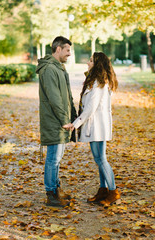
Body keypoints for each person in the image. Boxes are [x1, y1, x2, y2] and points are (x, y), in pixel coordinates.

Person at [64, 52, 120, 206]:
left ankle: (113, 192)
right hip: (95, 125)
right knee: (99, 159)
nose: (87, 63)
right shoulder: (95, 80)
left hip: (98, 126)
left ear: (97, 64)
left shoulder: (99, 83)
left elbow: (90, 108)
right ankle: (103, 191)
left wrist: (75, 124)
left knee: (101, 159)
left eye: (90, 61)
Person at [36, 36, 77, 207]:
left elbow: (66, 96)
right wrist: (64, 120)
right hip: (55, 122)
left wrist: (72, 117)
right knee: (53, 158)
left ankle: (56, 189)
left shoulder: (59, 68)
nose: (69, 53)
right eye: (67, 50)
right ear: (58, 49)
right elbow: (54, 98)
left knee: (57, 158)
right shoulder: (49, 69)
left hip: (61, 121)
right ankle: (51, 194)